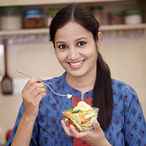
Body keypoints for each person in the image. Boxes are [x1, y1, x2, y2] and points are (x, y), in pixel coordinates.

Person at [6, 4, 146, 146]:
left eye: (81, 43)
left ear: (97, 40)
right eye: (62, 46)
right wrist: (28, 116)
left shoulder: (125, 95)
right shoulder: (40, 96)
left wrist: (100, 143)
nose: (73, 56)